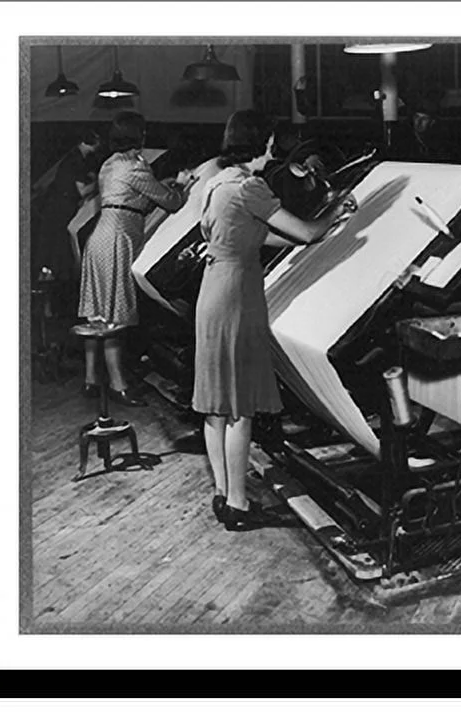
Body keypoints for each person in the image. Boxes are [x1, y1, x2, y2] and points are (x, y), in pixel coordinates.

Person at [192, 109, 356, 532]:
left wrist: (318, 232)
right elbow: (305, 231)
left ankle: (222, 493)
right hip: (237, 297)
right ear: (263, 143)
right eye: (271, 144)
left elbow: (255, 235)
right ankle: (240, 505)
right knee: (240, 407)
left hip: (212, 291)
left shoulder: (216, 183)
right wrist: (336, 211)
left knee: (215, 405)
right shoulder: (251, 187)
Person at [78, 111, 194, 406]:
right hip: (118, 239)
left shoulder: (110, 164)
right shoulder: (135, 166)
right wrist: (181, 184)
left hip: (100, 238)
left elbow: (133, 196)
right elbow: (171, 202)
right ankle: (119, 387)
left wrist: (161, 181)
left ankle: (91, 381)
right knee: (114, 317)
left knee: (97, 313)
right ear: (139, 136)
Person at [33, 128, 102, 317]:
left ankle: (48, 308)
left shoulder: (74, 158)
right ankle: (50, 308)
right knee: (55, 259)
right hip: (61, 213)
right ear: (93, 141)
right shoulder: (76, 160)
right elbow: (82, 191)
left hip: (56, 210)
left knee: (52, 259)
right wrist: (102, 182)